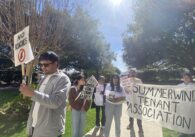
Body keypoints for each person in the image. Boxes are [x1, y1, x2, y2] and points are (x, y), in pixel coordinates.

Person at [19, 51, 71, 137]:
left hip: (49, 131)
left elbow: (55, 102)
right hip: (34, 127)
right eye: (41, 65)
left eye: (46, 65)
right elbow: (38, 100)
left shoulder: (63, 79)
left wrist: (32, 93)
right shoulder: (44, 78)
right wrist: (28, 92)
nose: (43, 67)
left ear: (56, 63)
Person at [125, 69, 144, 137]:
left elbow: (142, 90)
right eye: (131, 73)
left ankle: (140, 127)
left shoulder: (139, 80)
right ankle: (131, 124)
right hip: (129, 100)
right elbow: (124, 89)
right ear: (129, 74)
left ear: (135, 74)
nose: (132, 74)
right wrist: (126, 91)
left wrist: (142, 98)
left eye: (133, 73)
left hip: (137, 100)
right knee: (130, 113)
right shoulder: (126, 81)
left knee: (138, 114)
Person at [178, 71, 195, 137]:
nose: (185, 79)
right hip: (182, 108)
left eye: (187, 78)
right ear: (182, 78)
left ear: (190, 78)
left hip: (192, 108)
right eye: (184, 77)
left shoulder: (193, 86)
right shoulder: (179, 86)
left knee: (191, 122)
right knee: (182, 122)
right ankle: (182, 134)